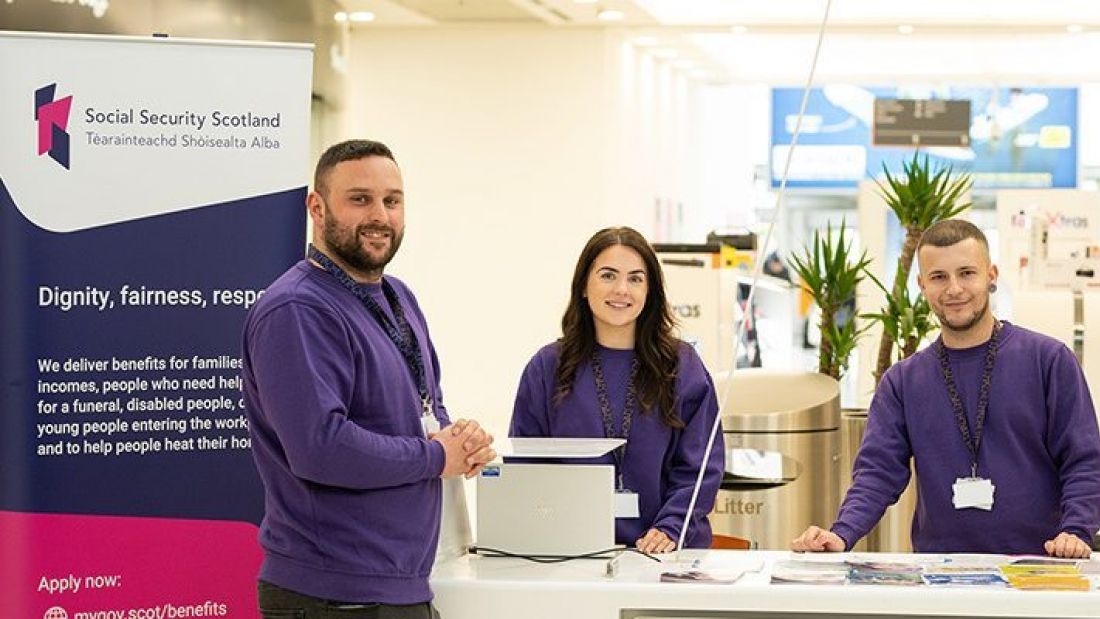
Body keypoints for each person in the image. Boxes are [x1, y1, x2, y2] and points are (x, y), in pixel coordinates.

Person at [241, 139, 496, 618]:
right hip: (334, 596)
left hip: (399, 586)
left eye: (392, 200)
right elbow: (321, 448)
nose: (380, 214)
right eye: (360, 199)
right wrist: (437, 454)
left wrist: (460, 440)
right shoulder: (298, 308)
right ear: (316, 207)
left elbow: (421, 412)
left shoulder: (397, 298)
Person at [791, 219, 1100, 558]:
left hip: (1037, 567)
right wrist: (841, 534)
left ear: (991, 275)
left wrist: (1076, 530)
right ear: (922, 285)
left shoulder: (1049, 361)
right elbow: (877, 474)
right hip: (939, 575)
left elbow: (1084, 460)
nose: (954, 289)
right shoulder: (902, 381)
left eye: (967, 273)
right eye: (939, 277)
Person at [509, 226, 725, 553]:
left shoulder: (681, 365)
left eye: (636, 279)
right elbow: (527, 465)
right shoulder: (547, 367)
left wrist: (672, 526)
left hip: (664, 554)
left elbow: (702, 464)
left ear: (650, 291)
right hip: (572, 555)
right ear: (584, 285)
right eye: (608, 276)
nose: (622, 289)